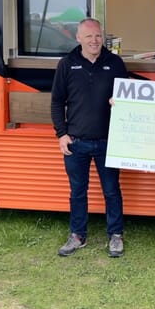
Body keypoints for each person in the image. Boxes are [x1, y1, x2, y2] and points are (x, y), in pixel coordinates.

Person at [50, 18, 128, 258]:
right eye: (89, 36)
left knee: (111, 190)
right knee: (77, 191)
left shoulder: (115, 63)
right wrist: (61, 134)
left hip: (107, 141)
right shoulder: (67, 64)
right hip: (76, 142)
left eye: (97, 36)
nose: (94, 41)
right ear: (78, 38)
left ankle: (115, 235)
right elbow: (56, 102)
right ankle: (77, 235)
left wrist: (121, 102)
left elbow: (126, 98)